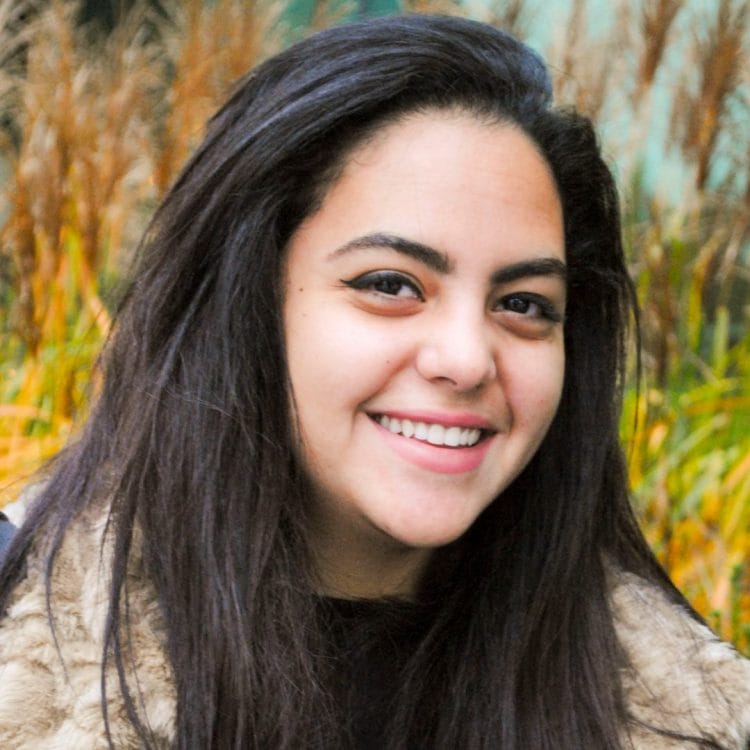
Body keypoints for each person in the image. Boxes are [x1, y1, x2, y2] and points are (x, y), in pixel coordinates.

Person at [0, 14, 748, 750]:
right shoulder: (23, 648)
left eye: (523, 305)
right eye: (391, 284)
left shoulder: (688, 713)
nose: (466, 358)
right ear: (244, 298)